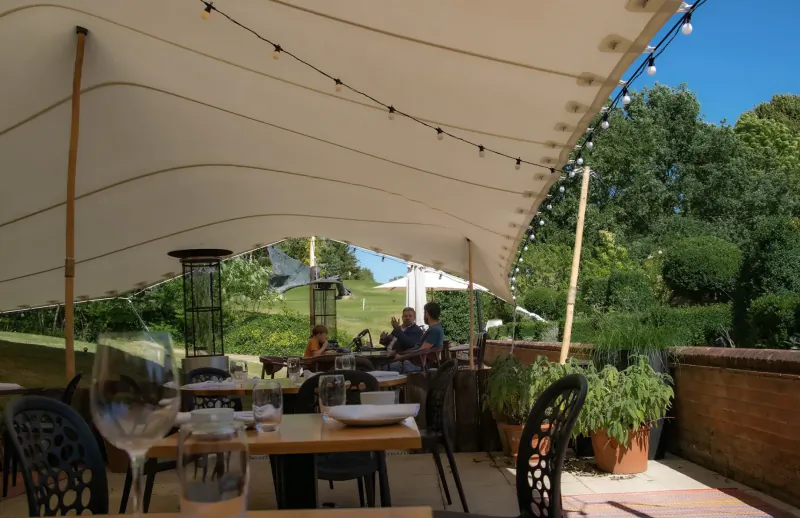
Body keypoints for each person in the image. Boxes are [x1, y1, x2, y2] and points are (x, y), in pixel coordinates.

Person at [388, 302, 445, 373]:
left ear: (427, 313)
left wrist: (402, 357)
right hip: (412, 362)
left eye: (424, 313)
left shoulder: (434, 330)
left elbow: (422, 351)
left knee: (379, 367)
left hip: (415, 366)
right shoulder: (437, 328)